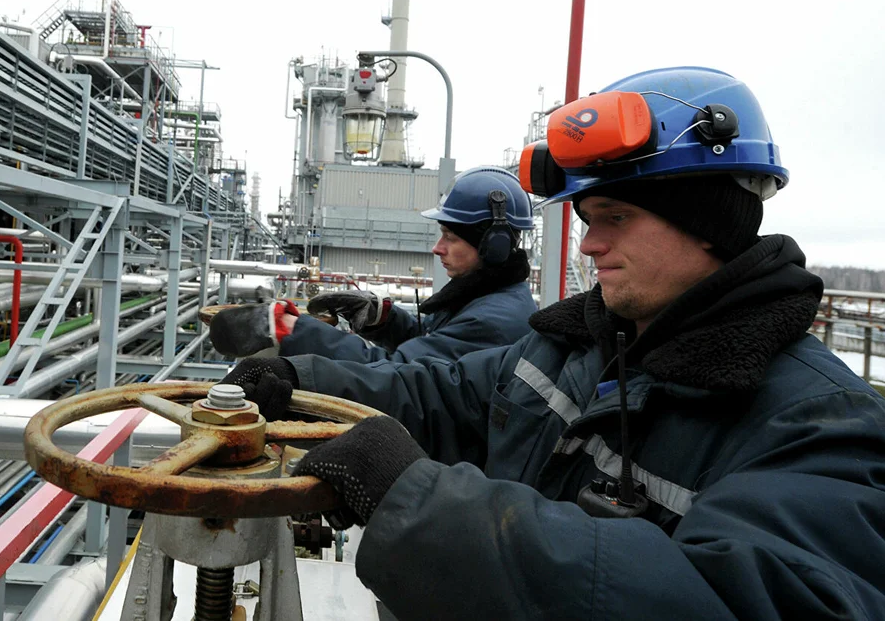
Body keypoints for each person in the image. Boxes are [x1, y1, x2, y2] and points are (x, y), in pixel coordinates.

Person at [221, 67, 885, 619]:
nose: (590, 243)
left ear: (710, 222)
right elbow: (441, 393)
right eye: (590, 219)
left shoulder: (820, 427)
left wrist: (420, 504)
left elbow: (727, 598)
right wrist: (298, 382)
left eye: (616, 218)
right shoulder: (576, 348)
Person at [208, 167, 536, 363]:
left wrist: (290, 332)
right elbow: (431, 343)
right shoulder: (484, 296)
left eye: (450, 236)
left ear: (494, 246)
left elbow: (397, 375)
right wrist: (383, 318)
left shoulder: (492, 324)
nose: (438, 248)